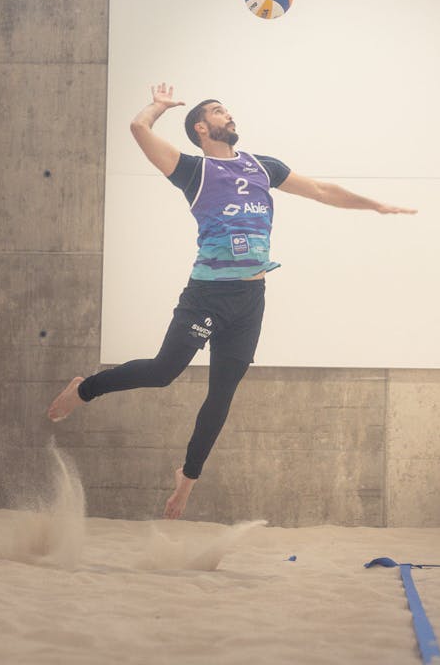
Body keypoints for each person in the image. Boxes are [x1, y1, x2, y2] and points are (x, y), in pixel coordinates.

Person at [47, 83, 415, 519]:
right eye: (220, 112)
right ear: (202, 127)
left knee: (221, 395)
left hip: (250, 298)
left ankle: (187, 478)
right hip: (207, 295)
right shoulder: (191, 171)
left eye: (228, 111)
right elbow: (136, 127)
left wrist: (374, 206)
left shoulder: (263, 166)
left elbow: (320, 190)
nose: (229, 116)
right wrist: (159, 107)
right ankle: (84, 389)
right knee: (164, 371)